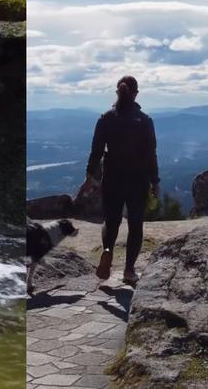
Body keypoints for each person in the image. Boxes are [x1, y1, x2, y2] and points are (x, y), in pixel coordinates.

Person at [82, 76, 159, 286]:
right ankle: (129, 270)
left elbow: (96, 151)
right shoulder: (144, 120)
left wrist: (90, 175)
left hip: (112, 178)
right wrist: (155, 181)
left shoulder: (106, 118)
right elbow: (151, 154)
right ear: (136, 94)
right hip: (138, 179)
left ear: (117, 92)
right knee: (135, 223)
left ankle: (107, 250)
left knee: (111, 220)